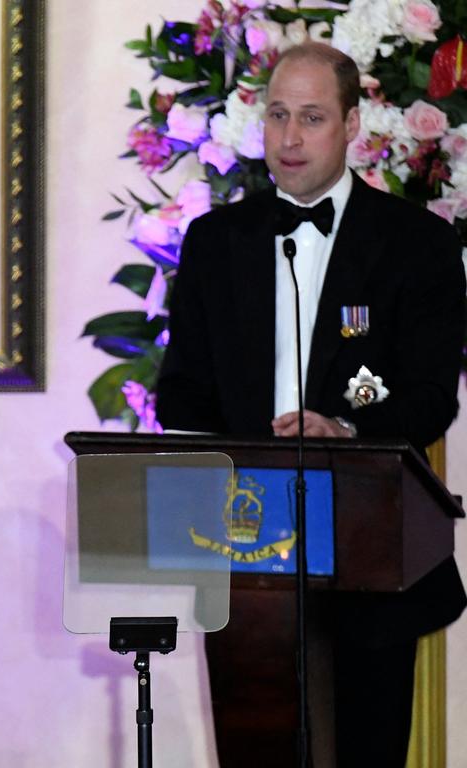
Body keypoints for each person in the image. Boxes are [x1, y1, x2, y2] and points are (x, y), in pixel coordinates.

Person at [157, 43, 466, 767]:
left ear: (354, 124)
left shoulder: (417, 244)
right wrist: (249, 445)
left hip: (371, 558)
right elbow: (179, 390)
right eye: (277, 116)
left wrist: (346, 426)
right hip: (246, 556)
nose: (290, 139)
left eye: (313, 118)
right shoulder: (215, 241)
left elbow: (427, 400)